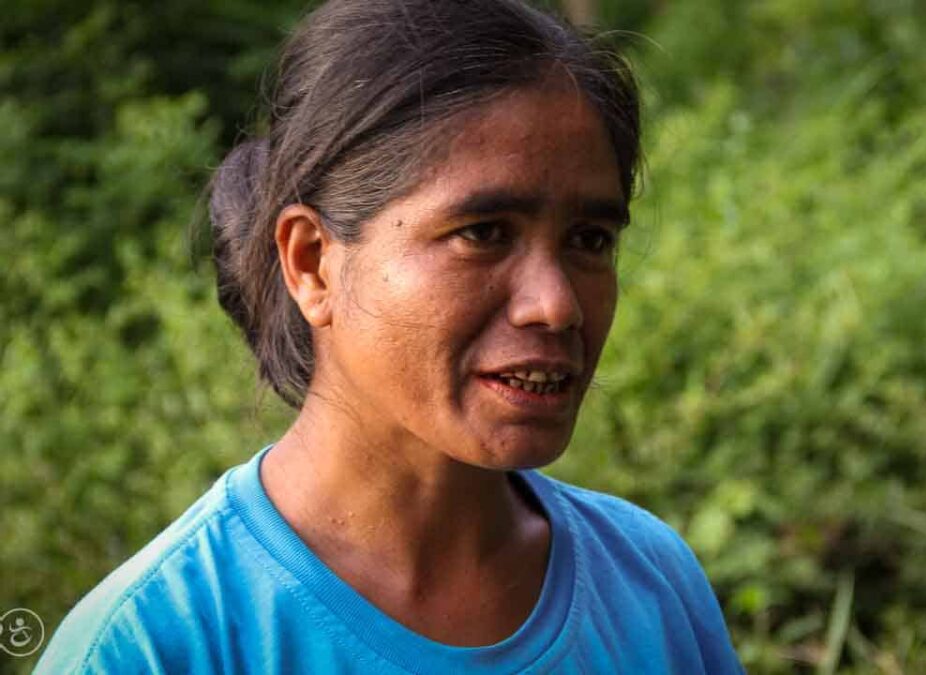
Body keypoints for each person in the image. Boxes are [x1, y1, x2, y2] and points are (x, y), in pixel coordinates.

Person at [35, 0, 744, 672]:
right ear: (311, 262)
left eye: (590, 239)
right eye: (483, 233)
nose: (556, 305)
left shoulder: (651, 587)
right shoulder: (156, 643)